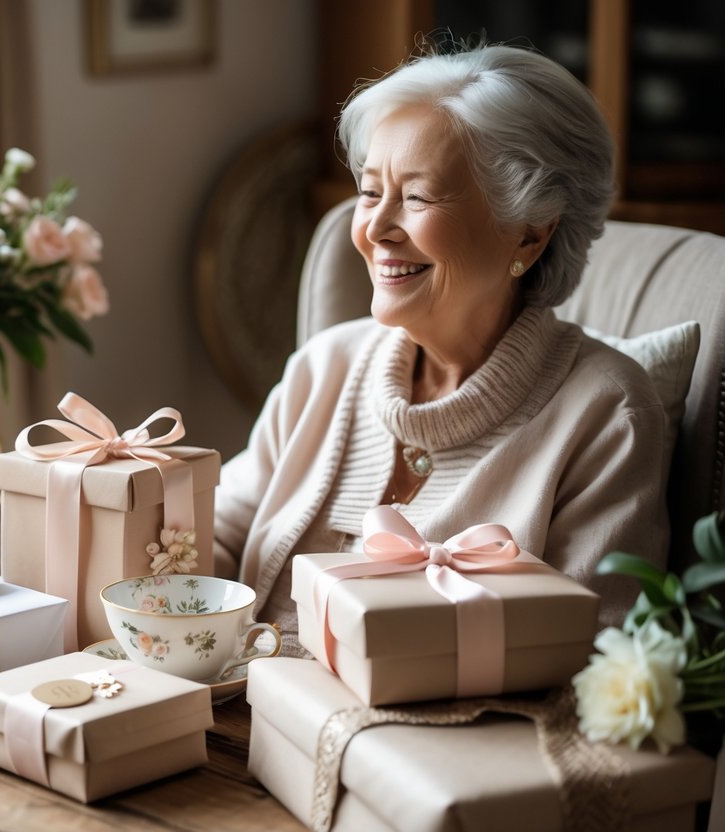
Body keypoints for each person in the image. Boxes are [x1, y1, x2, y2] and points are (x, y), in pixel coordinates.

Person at [214, 43, 668, 657]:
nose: (375, 229)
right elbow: (220, 529)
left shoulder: (605, 413)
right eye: (371, 192)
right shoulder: (326, 367)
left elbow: (590, 657)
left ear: (530, 234)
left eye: (419, 197)